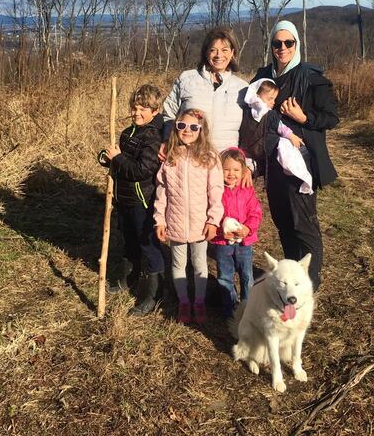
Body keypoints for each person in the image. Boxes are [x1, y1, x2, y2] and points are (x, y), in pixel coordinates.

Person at [249, 20, 339, 291]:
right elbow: (249, 107)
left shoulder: (311, 78)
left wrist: (303, 117)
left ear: (297, 45)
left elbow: (331, 117)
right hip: (273, 162)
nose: (283, 48)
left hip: (302, 162)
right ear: (271, 47)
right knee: (283, 220)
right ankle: (292, 274)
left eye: (289, 43)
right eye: (277, 44)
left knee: (304, 223)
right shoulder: (263, 77)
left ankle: (310, 281)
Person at [98, 84, 166, 315]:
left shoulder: (153, 137)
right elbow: (120, 163)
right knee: (129, 240)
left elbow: (141, 170)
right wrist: (108, 159)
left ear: (155, 111)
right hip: (123, 198)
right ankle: (129, 277)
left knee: (148, 244)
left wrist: (118, 159)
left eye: (144, 108)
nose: (137, 112)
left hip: (141, 201)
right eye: (134, 107)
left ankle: (153, 294)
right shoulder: (127, 133)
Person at [153, 108, 224, 324]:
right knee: (177, 264)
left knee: (200, 264)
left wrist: (213, 220)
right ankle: (184, 301)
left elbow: (216, 190)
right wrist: (160, 219)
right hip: (174, 220)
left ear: (201, 130)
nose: (187, 130)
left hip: (200, 223)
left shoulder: (209, 157)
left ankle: (199, 301)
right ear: (176, 127)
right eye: (182, 125)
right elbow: (161, 190)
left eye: (193, 127)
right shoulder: (170, 156)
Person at [162, 28, 249, 168]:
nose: (218, 55)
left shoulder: (243, 89)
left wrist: (248, 165)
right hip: (188, 164)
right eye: (213, 50)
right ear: (206, 52)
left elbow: (250, 131)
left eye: (225, 50)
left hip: (225, 167)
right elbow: (169, 114)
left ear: (233, 53)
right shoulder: (187, 79)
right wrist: (167, 140)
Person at [209, 148, 262, 319]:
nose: (231, 174)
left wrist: (248, 229)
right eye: (226, 169)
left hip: (244, 244)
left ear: (243, 171)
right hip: (223, 244)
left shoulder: (246, 190)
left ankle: (248, 307)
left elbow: (256, 213)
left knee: (247, 275)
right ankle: (230, 309)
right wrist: (219, 232)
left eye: (236, 170)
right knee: (225, 276)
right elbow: (210, 216)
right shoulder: (215, 192)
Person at [243, 78, 314, 194]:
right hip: (262, 149)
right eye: (270, 99)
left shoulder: (247, 112)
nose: (273, 102)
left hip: (252, 151)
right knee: (285, 146)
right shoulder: (268, 114)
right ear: (257, 96)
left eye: (274, 99)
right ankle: (296, 172)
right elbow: (281, 128)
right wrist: (292, 136)